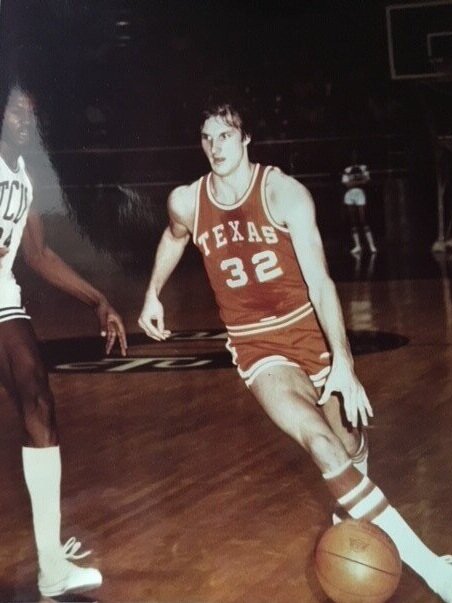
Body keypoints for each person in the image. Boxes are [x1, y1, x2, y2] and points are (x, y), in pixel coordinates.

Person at [138, 97, 452, 601]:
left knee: (348, 444)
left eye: (226, 135)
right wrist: (153, 292)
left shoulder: (284, 193)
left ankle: (349, 499)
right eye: (207, 137)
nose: (216, 146)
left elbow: (323, 284)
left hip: (308, 331)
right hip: (257, 345)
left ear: (246, 139)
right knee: (321, 445)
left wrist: (344, 363)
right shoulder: (187, 201)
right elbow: (175, 237)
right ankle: (436, 571)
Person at [0, 85, 127, 598]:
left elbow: (38, 254)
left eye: (32, 113)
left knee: (38, 394)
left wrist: (98, 300)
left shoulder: (27, 178)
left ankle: (51, 566)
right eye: (15, 111)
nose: (25, 120)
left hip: (1, 299)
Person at [342, 158, 377, 255]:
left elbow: (367, 181)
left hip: (360, 194)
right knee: (353, 221)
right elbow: (347, 184)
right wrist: (359, 182)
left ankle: (371, 245)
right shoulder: (347, 169)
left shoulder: (363, 168)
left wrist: (354, 183)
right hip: (349, 195)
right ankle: (357, 246)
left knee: (363, 220)